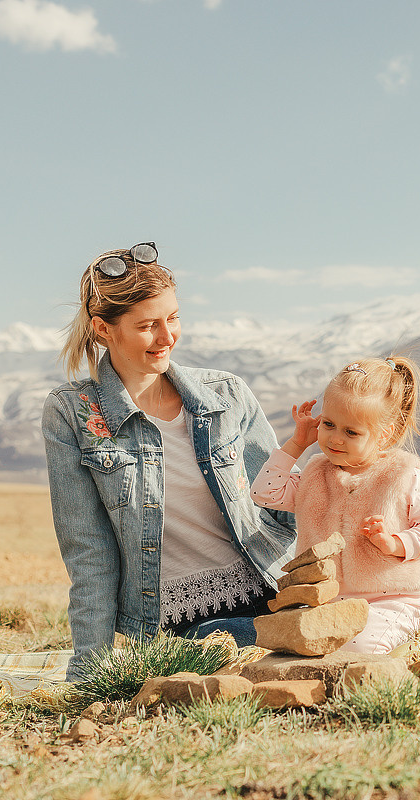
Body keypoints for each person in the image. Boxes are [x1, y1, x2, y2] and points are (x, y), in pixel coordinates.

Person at [42, 242, 297, 681]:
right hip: (196, 624)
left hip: (275, 584)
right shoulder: (74, 413)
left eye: (173, 318)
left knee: (410, 617)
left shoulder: (228, 393)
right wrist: (91, 669)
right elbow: (89, 550)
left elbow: (283, 506)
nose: (167, 338)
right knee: (244, 645)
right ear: (103, 330)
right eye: (146, 326)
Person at [250, 356, 420, 654]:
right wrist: (296, 444)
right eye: (328, 424)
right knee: (294, 643)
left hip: (392, 598)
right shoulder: (316, 474)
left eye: (351, 432)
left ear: (385, 435)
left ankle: (419, 626)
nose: (335, 438)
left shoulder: (402, 475)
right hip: (328, 600)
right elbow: (264, 493)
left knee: (353, 647)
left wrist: (396, 543)